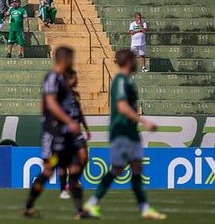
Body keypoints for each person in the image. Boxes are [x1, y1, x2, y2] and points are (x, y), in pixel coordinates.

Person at [84, 50, 166, 220]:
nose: (136, 61)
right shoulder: (120, 81)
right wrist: (144, 122)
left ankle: (144, 208)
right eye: (134, 59)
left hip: (131, 132)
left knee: (136, 168)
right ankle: (92, 203)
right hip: (121, 131)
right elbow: (122, 107)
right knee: (117, 169)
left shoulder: (127, 81)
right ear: (128, 61)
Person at [22, 46, 90, 219]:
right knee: (48, 170)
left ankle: (79, 210)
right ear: (65, 59)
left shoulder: (62, 80)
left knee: (74, 169)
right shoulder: (52, 78)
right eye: (71, 58)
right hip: (54, 135)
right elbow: (51, 104)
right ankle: (28, 205)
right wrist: (68, 122)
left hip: (66, 135)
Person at [58, 69, 91, 200]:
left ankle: (73, 181)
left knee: (84, 156)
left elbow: (79, 112)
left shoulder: (74, 95)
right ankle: (63, 189)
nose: (76, 80)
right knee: (63, 163)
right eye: (74, 78)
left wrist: (86, 128)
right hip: (64, 132)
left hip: (76, 132)